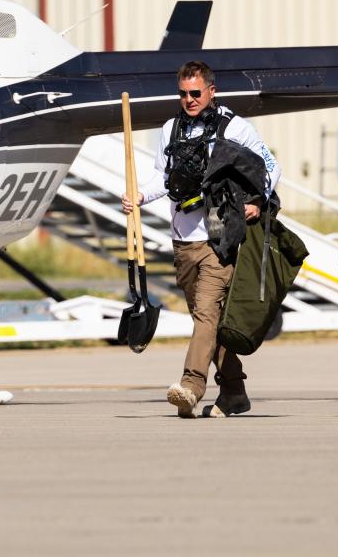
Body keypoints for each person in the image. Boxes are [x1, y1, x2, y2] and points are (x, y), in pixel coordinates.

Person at [121, 61, 281, 418]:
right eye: (183, 94)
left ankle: (191, 385)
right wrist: (139, 197)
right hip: (182, 239)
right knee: (211, 322)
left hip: (219, 235)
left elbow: (271, 168)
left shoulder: (235, 127)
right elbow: (161, 179)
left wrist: (256, 201)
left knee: (206, 315)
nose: (189, 100)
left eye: (196, 93)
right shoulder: (170, 129)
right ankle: (235, 393)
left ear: (212, 91)